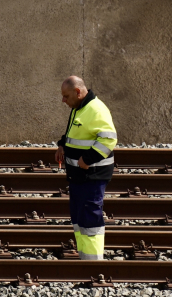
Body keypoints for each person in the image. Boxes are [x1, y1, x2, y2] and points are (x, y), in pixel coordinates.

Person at [53, 75, 117, 261]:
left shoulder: (96, 110)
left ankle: (93, 263)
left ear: (78, 92)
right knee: (79, 214)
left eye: (66, 96)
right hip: (79, 174)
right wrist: (62, 145)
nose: (63, 100)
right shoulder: (79, 107)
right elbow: (75, 131)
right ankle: (85, 257)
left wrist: (88, 159)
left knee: (89, 216)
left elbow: (109, 139)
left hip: (92, 174)